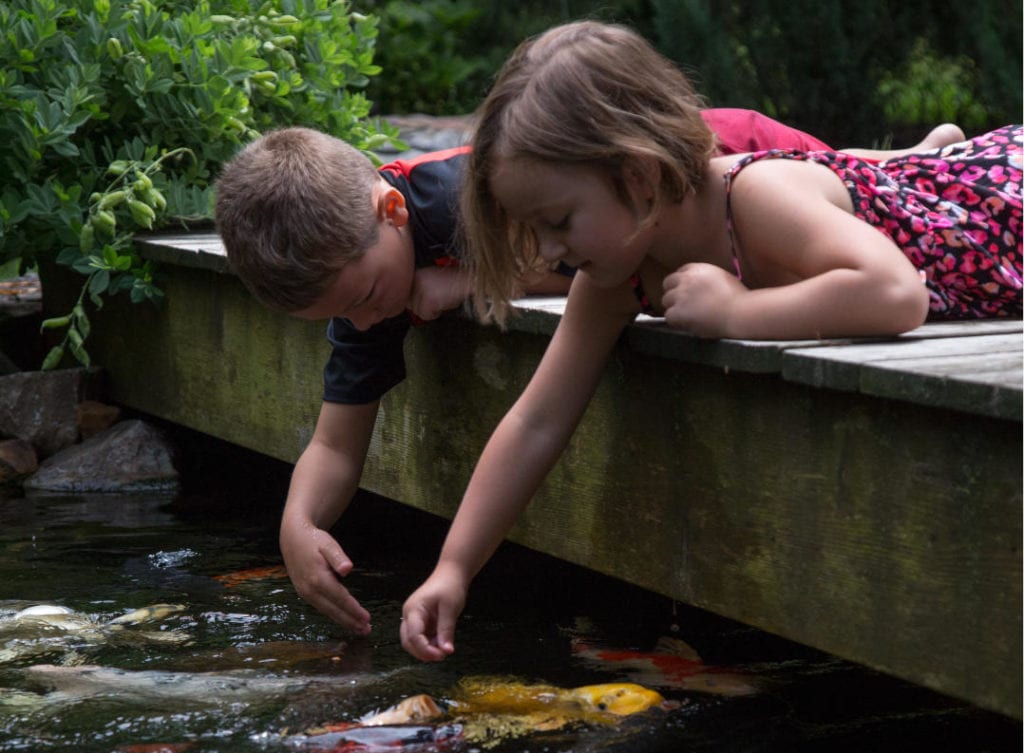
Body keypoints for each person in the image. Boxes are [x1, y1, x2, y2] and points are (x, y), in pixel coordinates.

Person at [398, 19, 1021, 660]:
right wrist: (454, 567)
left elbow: (895, 294)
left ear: (639, 175)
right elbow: (536, 419)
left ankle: (930, 154)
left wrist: (738, 314)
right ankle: (926, 151)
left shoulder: (752, 194)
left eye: (558, 222)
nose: (549, 251)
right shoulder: (617, 275)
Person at [214, 113, 969, 635]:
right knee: (861, 189)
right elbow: (337, 439)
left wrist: (479, 281)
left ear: (390, 210)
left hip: (729, 148)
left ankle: (918, 160)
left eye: (369, 297)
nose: (370, 319)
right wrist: (298, 522)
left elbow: (579, 260)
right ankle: (919, 161)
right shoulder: (361, 285)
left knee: (844, 175)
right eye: (346, 314)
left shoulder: (464, 201)